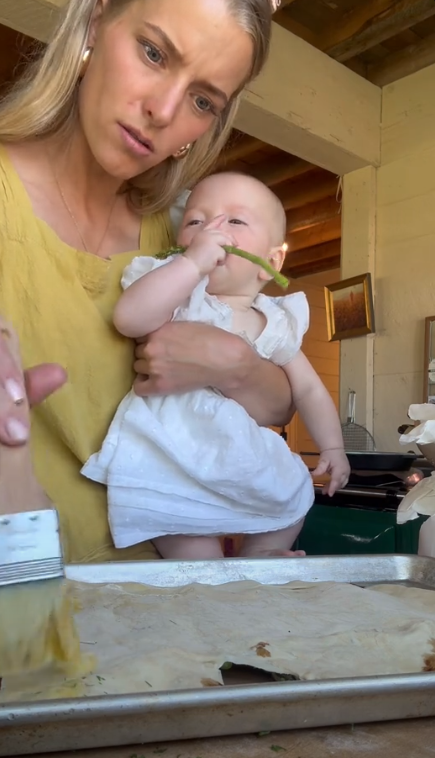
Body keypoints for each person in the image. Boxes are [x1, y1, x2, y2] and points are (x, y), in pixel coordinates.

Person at [0, 0, 299, 568]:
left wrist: (234, 363)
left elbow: (277, 404)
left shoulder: (185, 233)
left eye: (202, 100)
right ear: (94, 23)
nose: (163, 111)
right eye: (154, 52)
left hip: (159, 622)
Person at [82, 172, 350, 559]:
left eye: (235, 221)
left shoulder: (274, 322)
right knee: (193, 552)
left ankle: (263, 554)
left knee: (293, 492)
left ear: (271, 261)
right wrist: (190, 265)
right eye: (195, 221)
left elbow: (308, 389)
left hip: (240, 454)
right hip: (172, 452)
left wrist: (333, 446)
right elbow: (129, 319)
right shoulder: (178, 293)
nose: (212, 230)